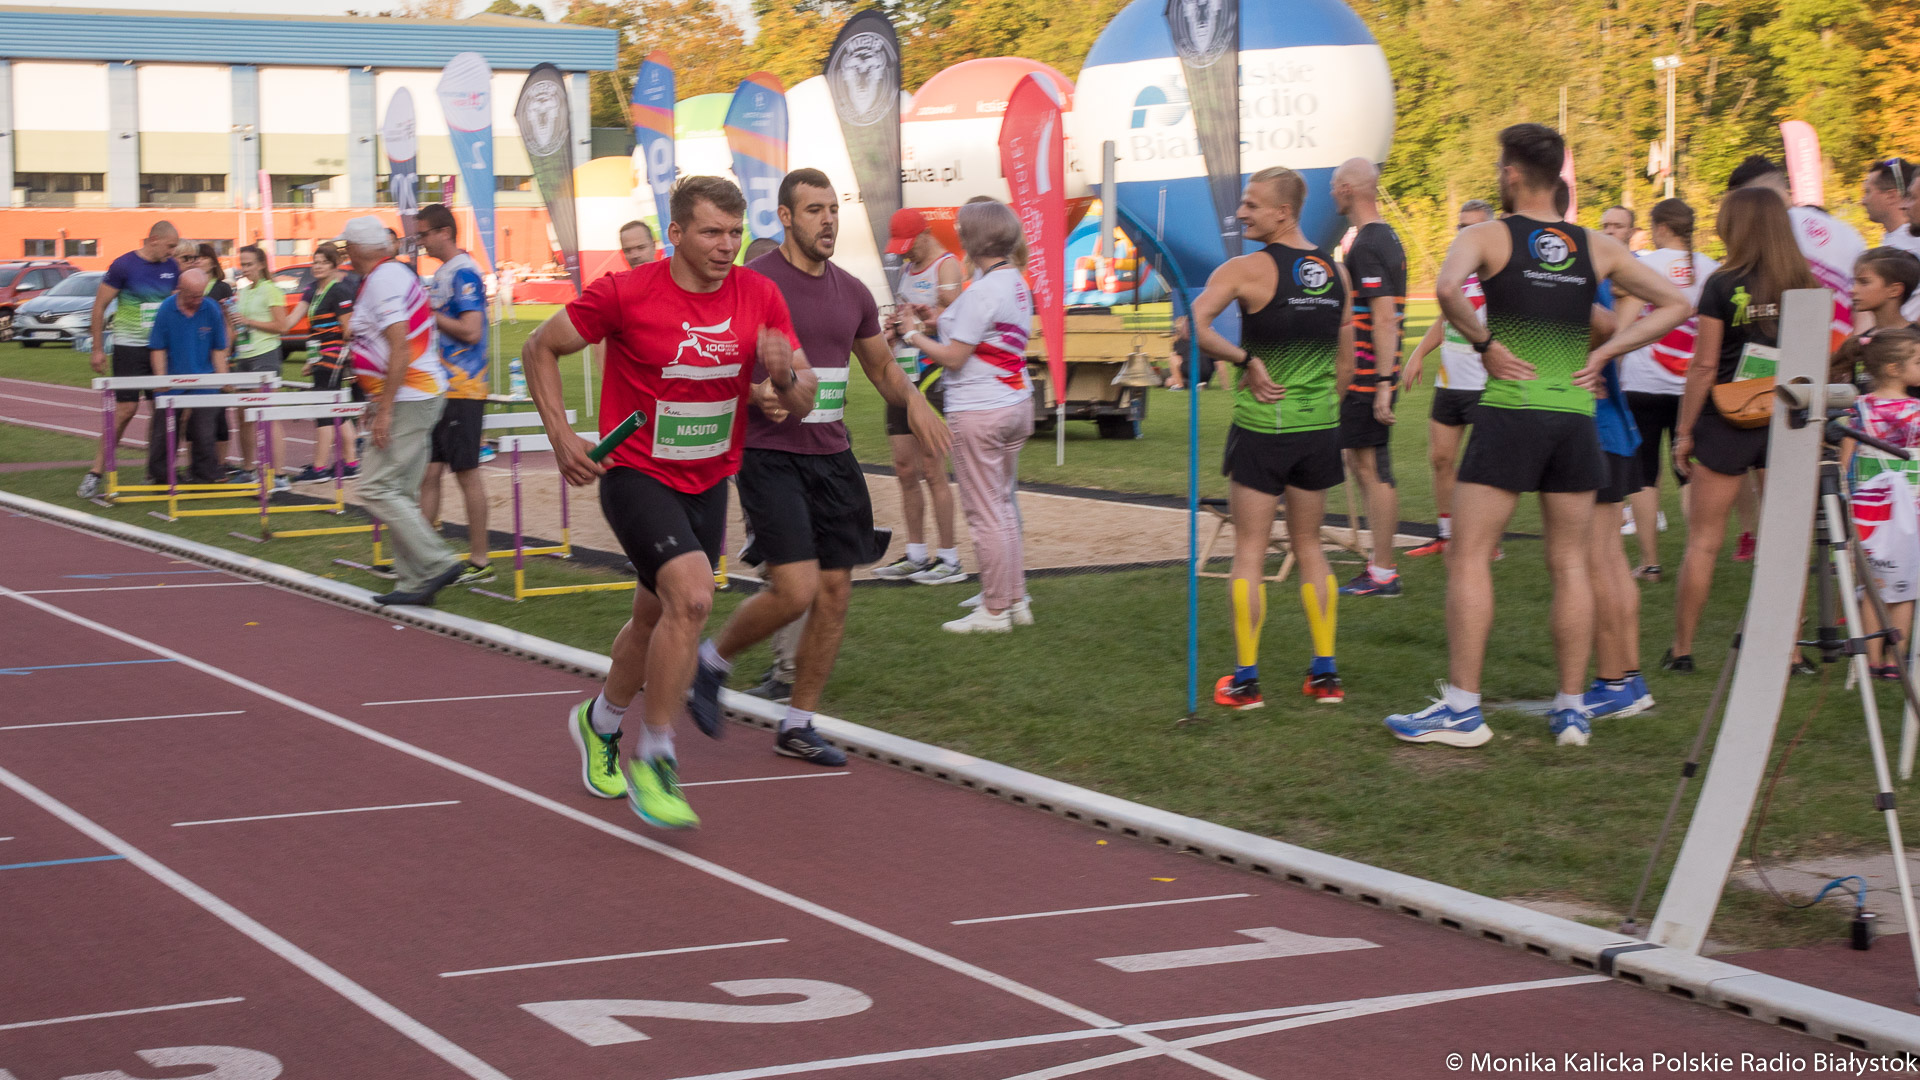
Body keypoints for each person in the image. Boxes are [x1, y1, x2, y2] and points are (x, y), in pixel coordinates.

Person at [1382, 123, 1689, 748]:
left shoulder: (1487, 234)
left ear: (1513, 173)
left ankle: (1463, 710)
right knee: (1570, 563)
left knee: (1470, 554)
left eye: (1502, 166)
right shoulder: (1595, 245)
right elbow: (1677, 304)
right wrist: (1606, 355)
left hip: (1511, 410)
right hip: (1574, 417)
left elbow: (1447, 289)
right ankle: (1572, 709)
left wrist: (1485, 345)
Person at [523, 176, 812, 830]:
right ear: (676, 233)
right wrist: (562, 436)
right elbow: (540, 346)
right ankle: (655, 755)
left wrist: (785, 375)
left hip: (707, 479)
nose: (726, 246)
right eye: (711, 232)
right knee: (692, 597)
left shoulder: (759, 294)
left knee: (655, 617)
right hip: (636, 471)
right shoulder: (625, 292)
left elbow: (800, 400)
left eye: (735, 233)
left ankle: (600, 721)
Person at [689, 169, 949, 759]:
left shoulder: (852, 292)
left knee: (835, 591)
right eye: (814, 210)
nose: (828, 220)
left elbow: (881, 367)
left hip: (833, 455)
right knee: (795, 590)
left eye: (833, 209)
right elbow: (710, 359)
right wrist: (756, 393)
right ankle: (713, 661)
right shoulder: (752, 283)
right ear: (785, 217)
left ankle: (798, 724)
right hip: (770, 455)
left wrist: (915, 404)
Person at [1188, 167, 1354, 708]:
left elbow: (1195, 324)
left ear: (1283, 212)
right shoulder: (1336, 272)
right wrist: (1322, 404)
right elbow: (1347, 361)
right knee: (1310, 546)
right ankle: (1325, 677)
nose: (1240, 213)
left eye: (1251, 205)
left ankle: (1246, 682)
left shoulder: (1244, 269)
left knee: (1250, 551)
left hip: (1264, 429)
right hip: (1319, 429)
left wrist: (1246, 361)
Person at [1664, 187, 1820, 672]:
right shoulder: (1806, 283)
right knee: (1786, 542)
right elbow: (1815, 362)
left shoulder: (1721, 283)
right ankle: (1791, 652)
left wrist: (1685, 432)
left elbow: (1704, 365)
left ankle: (1682, 651)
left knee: (1704, 541)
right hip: (1787, 417)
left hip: (1727, 418)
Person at [896, 199, 1035, 632]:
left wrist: (912, 334)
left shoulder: (983, 289)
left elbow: (954, 357)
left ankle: (994, 609)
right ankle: (1012, 599)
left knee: (985, 512)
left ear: (974, 240)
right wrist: (935, 321)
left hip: (981, 407)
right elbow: (982, 334)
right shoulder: (1013, 281)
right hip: (1014, 401)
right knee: (1002, 507)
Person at [341, 216, 462, 608]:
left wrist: (386, 408)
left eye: (346, 248)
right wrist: (377, 401)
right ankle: (414, 582)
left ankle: (437, 561)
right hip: (413, 394)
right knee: (401, 491)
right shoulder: (389, 275)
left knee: (374, 486)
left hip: (411, 397)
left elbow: (400, 345)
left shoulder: (383, 279)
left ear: (355, 249)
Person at [1614, 199, 1719, 582]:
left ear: (1660, 228)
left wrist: (1613, 366)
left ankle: (1650, 563)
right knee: (1688, 471)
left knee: (1644, 472)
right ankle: (1696, 557)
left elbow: (1623, 326)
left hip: (1643, 382)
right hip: (1692, 387)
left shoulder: (1642, 265)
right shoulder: (1711, 269)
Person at [874, 207, 966, 584]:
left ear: (926, 234)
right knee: (904, 467)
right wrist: (894, 328)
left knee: (932, 468)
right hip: (902, 375)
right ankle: (915, 554)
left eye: (910, 245)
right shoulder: (906, 270)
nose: (907, 253)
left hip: (933, 375)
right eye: (901, 247)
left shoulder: (947, 265)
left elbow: (956, 321)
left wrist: (923, 321)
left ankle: (949, 558)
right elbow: (904, 319)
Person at [1403, 198, 1496, 557]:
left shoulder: (1498, 272)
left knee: (1485, 470)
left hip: (1485, 384)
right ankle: (1446, 535)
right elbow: (1445, 319)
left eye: (1472, 227)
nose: (1463, 233)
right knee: (1441, 459)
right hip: (1449, 381)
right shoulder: (1455, 270)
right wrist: (1417, 354)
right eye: (1460, 226)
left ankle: (1487, 542)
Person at [1331, 158, 1406, 597]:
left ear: (1347, 188)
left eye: (1334, 187)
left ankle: (1383, 572)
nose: (1331, 195)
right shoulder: (1385, 236)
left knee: (1372, 467)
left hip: (1366, 376)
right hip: (1371, 374)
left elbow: (1384, 317)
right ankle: (1380, 566)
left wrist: (1381, 383)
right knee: (1364, 465)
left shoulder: (1367, 244)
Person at [412, 204, 494, 587]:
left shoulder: (464, 272)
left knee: (466, 473)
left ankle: (481, 561)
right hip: (439, 387)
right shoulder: (444, 272)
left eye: (424, 234)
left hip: (464, 387)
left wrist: (428, 315)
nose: (420, 241)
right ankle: (419, 558)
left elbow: (472, 330)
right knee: (429, 472)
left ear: (444, 232)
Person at [78, 220, 179, 498]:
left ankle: (156, 472)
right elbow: (99, 306)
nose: (172, 252)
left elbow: (174, 308)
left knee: (163, 409)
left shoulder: (172, 267)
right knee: (126, 410)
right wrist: (97, 348)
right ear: (154, 239)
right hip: (129, 347)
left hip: (159, 350)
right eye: (170, 246)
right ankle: (95, 472)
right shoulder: (124, 265)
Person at [1840, 329, 1920, 676]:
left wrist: (1845, 496)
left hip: (1868, 508)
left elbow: (1846, 460)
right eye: (1918, 361)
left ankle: (1870, 659)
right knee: (1907, 585)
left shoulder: (1859, 407)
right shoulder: (1916, 410)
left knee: (1871, 585)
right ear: (1893, 368)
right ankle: (1894, 660)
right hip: (1910, 510)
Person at [147, 269, 230, 485]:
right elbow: (158, 347)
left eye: (200, 295)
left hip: (204, 379)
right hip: (173, 378)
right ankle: (161, 475)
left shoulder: (210, 308)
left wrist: (224, 380)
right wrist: (161, 379)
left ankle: (203, 474)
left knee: (204, 430)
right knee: (164, 430)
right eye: (193, 296)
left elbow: (218, 348)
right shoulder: (167, 309)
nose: (197, 300)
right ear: (180, 290)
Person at [288, 242, 361, 482]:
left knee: (324, 410)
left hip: (334, 355)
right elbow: (313, 331)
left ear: (334, 265)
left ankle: (319, 468)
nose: (317, 266)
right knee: (335, 408)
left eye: (323, 263)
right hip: (321, 356)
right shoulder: (313, 291)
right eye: (315, 262)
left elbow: (348, 329)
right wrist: (312, 360)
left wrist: (343, 356)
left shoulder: (339, 291)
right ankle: (351, 463)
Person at [228, 244, 294, 489]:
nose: (245, 269)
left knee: (266, 414)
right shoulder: (244, 291)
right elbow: (239, 326)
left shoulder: (271, 290)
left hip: (265, 355)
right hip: (244, 356)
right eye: (242, 265)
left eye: (249, 265)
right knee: (243, 415)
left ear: (261, 265)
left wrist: (248, 321)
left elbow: (282, 326)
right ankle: (248, 469)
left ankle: (279, 475)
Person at [1864, 161, 1920, 324]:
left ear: (1890, 195)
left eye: (1868, 192)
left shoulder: (1914, 241)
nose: (1863, 201)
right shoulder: (1892, 241)